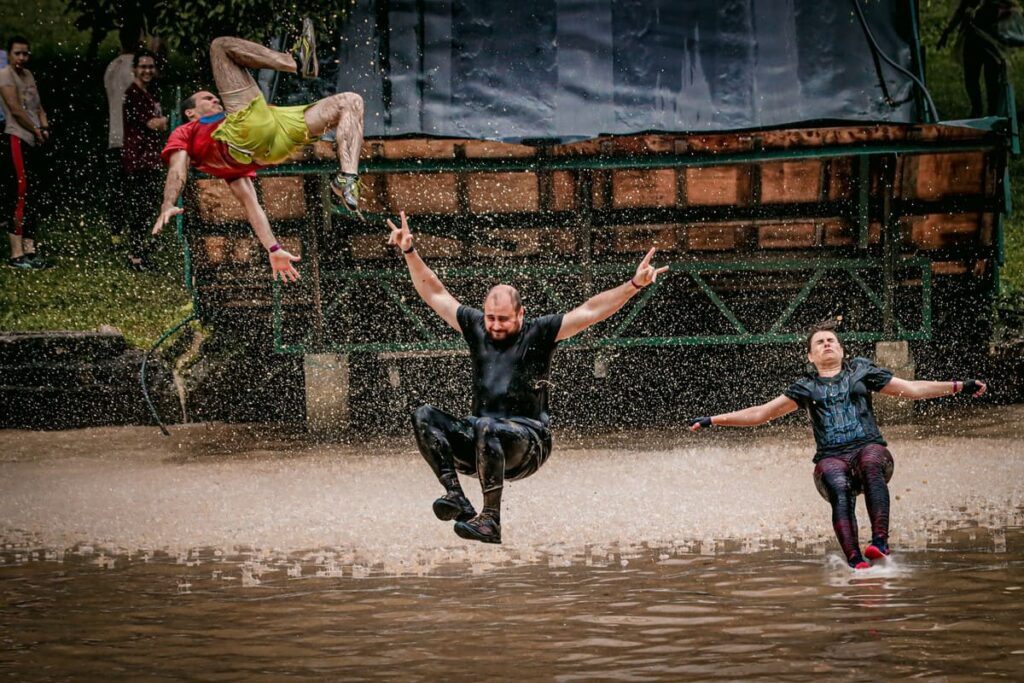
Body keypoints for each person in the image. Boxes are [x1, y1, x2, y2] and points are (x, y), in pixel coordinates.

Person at [388, 210, 669, 544]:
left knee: (485, 424)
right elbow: (435, 293)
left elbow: (592, 310)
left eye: (503, 319)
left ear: (521, 314)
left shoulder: (540, 332)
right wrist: (410, 251)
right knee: (425, 416)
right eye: (490, 318)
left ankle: (491, 520)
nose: (494, 325)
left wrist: (633, 285)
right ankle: (456, 496)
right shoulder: (476, 327)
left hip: (528, 442)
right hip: (482, 444)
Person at [689, 320, 988, 569]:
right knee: (837, 483)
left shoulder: (861, 371)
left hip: (869, 449)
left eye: (831, 340)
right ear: (810, 356)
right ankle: (855, 559)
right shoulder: (805, 387)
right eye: (819, 343)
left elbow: (911, 389)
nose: (827, 344)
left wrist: (959, 386)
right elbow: (760, 414)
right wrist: (713, 420)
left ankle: (880, 542)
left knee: (871, 462)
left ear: (842, 350)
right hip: (832, 458)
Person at [151, 19, 365, 282]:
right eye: (207, 98)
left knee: (351, 102)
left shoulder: (231, 171)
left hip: (276, 137)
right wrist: (168, 203)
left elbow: (252, 206)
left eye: (215, 96)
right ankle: (295, 62)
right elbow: (177, 170)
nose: (215, 98)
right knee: (220, 47)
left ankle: (347, 178)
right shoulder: (187, 132)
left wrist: (273, 248)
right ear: (190, 112)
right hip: (246, 132)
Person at [0, 35, 50, 270]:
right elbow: (16, 109)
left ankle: (30, 248)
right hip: (17, 137)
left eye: (25, 53)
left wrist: (45, 126)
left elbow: (38, 106)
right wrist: (36, 129)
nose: (21, 58)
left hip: (34, 139)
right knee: (20, 191)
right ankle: (16, 252)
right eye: (17, 53)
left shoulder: (29, 75)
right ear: (9, 55)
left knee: (35, 192)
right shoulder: (5, 75)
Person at [122, 49, 168, 270]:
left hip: (151, 157)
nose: (148, 71)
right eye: (143, 67)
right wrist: (167, 120)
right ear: (134, 69)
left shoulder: (152, 93)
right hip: (139, 158)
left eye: (151, 67)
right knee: (140, 207)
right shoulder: (132, 94)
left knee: (148, 206)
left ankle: (141, 251)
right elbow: (153, 123)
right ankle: (135, 255)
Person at [938, 0, 1011, 118]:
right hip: (973, 39)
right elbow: (961, 10)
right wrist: (947, 31)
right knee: (971, 79)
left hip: (991, 40)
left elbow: (1008, 8)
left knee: (992, 81)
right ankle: (977, 110)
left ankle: (993, 114)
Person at [103, 26, 138, 243]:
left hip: (114, 134)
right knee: (134, 187)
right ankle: (135, 233)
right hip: (131, 137)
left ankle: (116, 231)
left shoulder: (112, 66)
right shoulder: (135, 66)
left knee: (118, 186)